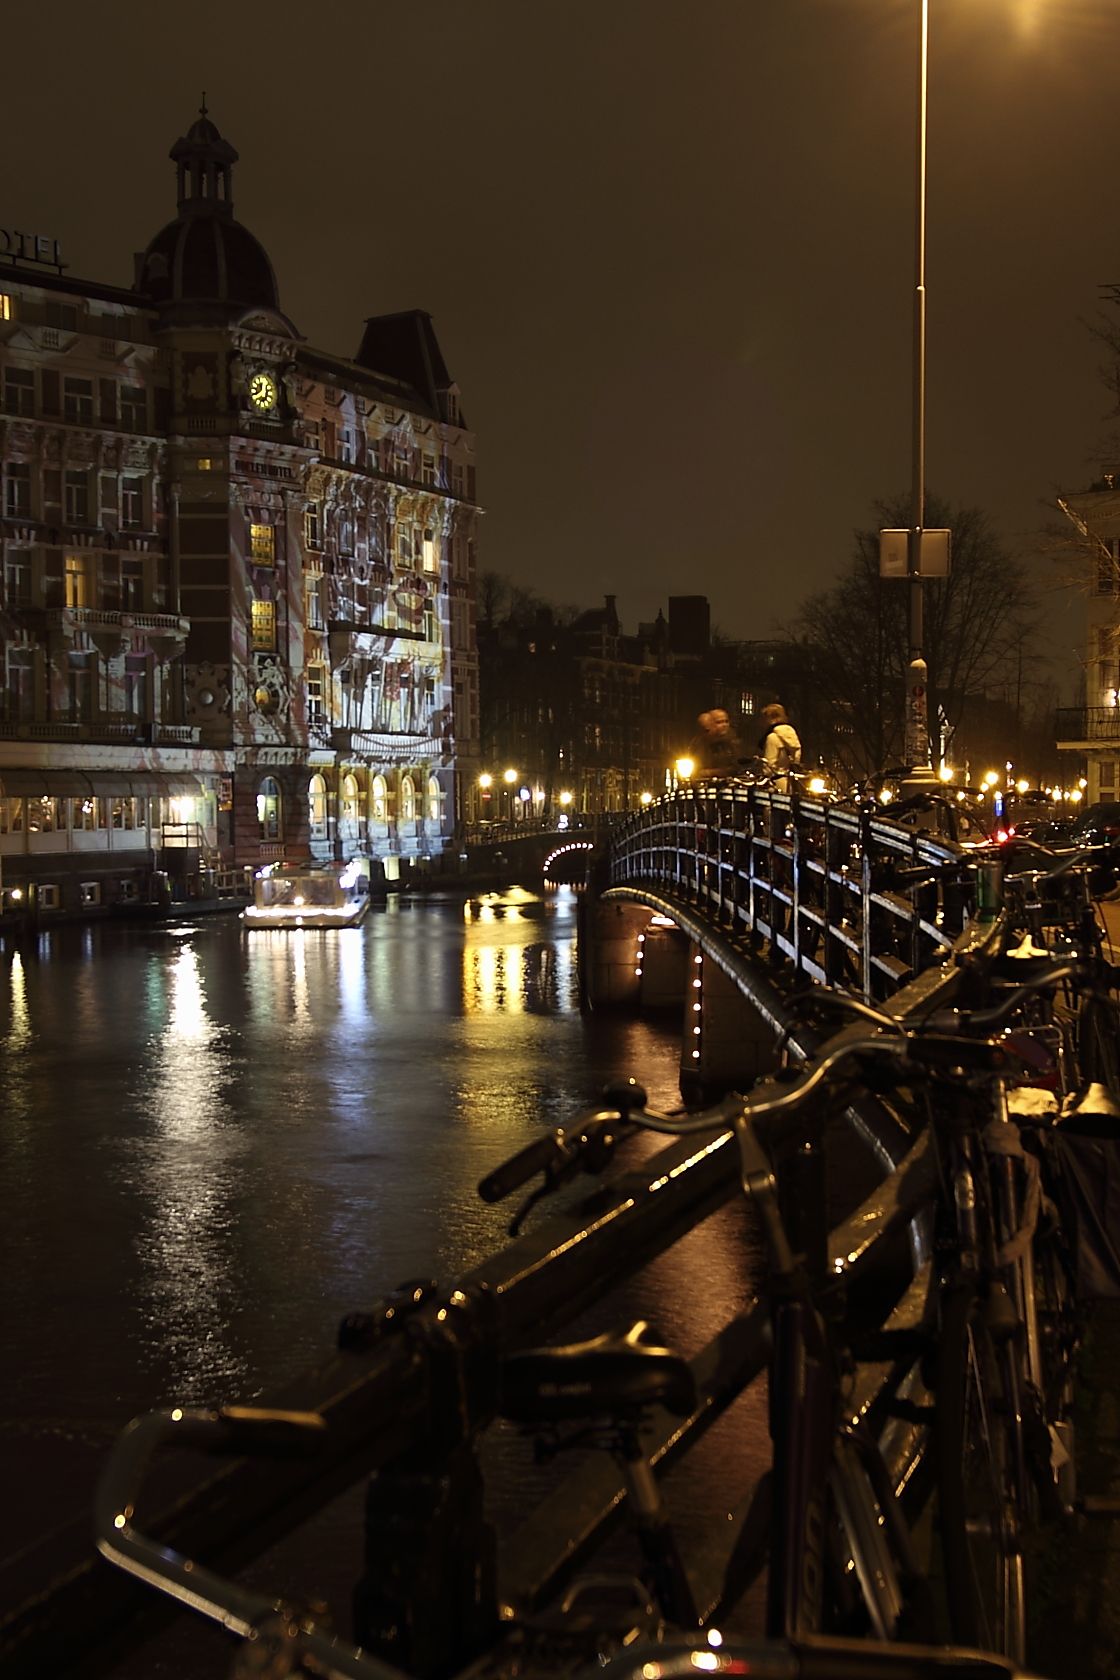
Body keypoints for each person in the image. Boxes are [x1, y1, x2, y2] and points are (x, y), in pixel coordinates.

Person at [758, 703, 801, 792]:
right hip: (789, 783)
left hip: (775, 784)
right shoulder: (792, 736)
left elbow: (769, 765)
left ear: (771, 718)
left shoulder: (773, 738)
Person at [690, 708, 742, 776]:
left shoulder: (733, 742)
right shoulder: (698, 743)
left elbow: (738, 766)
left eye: (726, 721)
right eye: (719, 722)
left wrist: (711, 772)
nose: (724, 725)